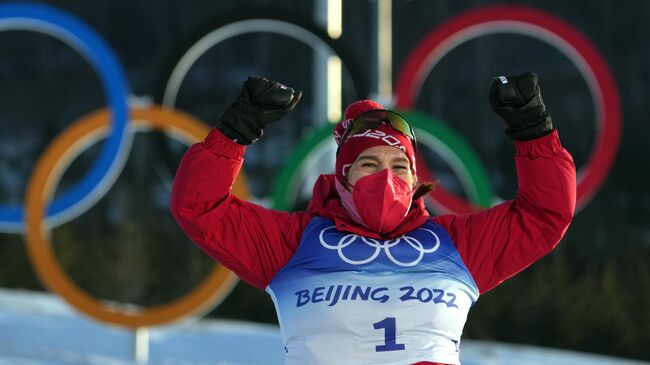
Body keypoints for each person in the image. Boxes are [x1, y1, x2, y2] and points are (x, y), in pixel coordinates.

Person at [170, 73, 576, 365]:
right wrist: (236, 130)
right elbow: (200, 206)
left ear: (416, 179)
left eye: (399, 166)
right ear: (342, 176)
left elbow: (544, 214)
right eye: (368, 163)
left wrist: (533, 131)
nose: (386, 177)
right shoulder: (293, 242)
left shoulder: (456, 243)